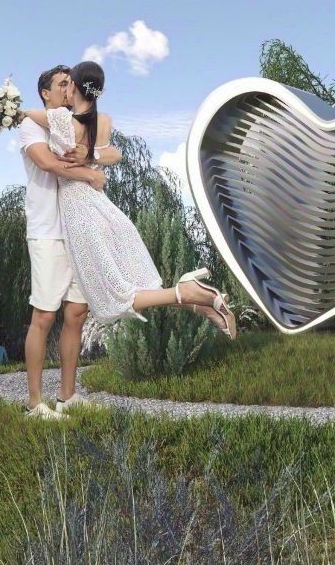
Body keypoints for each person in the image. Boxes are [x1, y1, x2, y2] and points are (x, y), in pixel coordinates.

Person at [19, 60, 238, 340]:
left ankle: (189, 292)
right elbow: (115, 154)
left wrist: (13, 112)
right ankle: (201, 305)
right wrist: (92, 157)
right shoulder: (103, 121)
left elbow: (29, 119)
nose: (64, 90)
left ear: (74, 86)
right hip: (101, 206)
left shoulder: (60, 119)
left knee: (112, 296)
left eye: (67, 83)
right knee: (129, 283)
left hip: (79, 212)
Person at [17, 65, 108, 418]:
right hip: (47, 230)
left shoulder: (75, 125)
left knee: (77, 312)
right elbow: (47, 163)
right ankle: (34, 403)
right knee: (44, 315)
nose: (69, 88)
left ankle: (67, 395)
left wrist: (93, 159)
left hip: (78, 229)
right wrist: (89, 174)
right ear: (45, 92)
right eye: (62, 83)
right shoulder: (32, 124)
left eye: (71, 83)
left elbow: (104, 151)